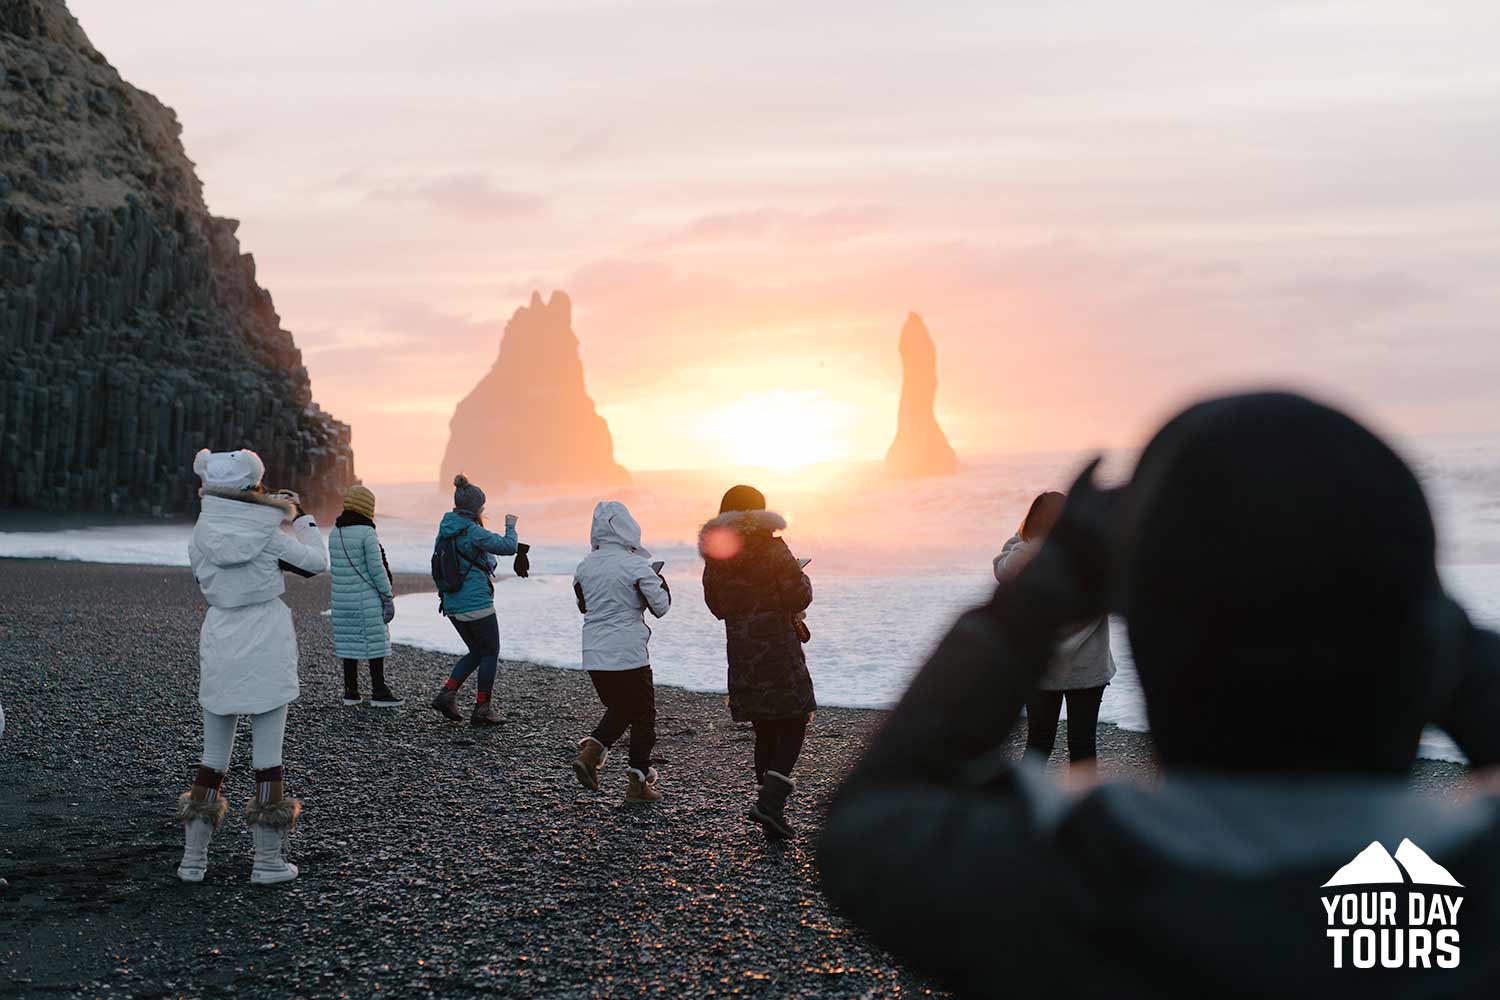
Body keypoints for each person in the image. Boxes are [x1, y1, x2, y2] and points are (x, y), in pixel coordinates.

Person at [818, 393, 1500, 997]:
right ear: (1421, 645)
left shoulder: (1048, 898)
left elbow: (870, 816)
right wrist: (1424, 617)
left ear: (1149, 638)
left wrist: (1050, 584)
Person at [178, 448, 327, 886]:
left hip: (221, 632)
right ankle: (266, 862)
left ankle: (193, 860)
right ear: (253, 488)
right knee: (268, 757)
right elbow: (317, 564)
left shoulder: (199, 534)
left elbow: (202, 579)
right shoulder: (268, 534)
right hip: (264, 635)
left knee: (212, 756)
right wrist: (299, 518)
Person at [700, 484, 815, 839]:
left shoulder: (718, 554)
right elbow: (799, 593)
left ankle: (769, 808)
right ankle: (770, 805)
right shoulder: (772, 547)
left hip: (742, 651)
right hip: (778, 648)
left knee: (764, 729)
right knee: (794, 721)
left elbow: (717, 606)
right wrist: (799, 573)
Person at [994, 490, 1115, 772]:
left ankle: (1025, 808)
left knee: (1038, 742)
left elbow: (1002, 568)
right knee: (1083, 744)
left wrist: (1031, 536)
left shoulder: (1029, 558)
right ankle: (1084, 808)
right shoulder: (1095, 555)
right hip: (1087, 668)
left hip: (1040, 667)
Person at [570, 501, 671, 802]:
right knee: (644, 716)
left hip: (594, 652)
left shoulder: (584, 566)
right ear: (628, 527)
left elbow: (584, 606)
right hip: (627, 653)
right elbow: (661, 607)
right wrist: (658, 581)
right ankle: (637, 784)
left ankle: (590, 756)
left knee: (622, 709)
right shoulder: (636, 565)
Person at [428, 473, 527, 726]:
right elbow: (507, 546)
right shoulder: (472, 531)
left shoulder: (445, 530)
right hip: (476, 604)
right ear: (475, 507)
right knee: (490, 651)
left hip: (450, 603)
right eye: (482, 506)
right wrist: (511, 526)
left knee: (477, 650)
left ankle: (447, 694)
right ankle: (482, 708)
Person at [329, 484, 403, 707]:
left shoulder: (335, 532)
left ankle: (351, 692)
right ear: (368, 507)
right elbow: (376, 568)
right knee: (374, 642)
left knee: (348, 643)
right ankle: (379, 691)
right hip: (365, 598)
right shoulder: (367, 533)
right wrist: (387, 597)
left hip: (341, 599)